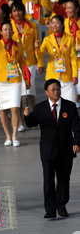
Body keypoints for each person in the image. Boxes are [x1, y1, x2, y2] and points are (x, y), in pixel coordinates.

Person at [24, 79, 80, 219]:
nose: (56, 92)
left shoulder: (70, 106)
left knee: (63, 180)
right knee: (48, 181)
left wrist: (77, 142)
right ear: (46, 92)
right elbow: (31, 124)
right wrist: (27, 116)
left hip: (66, 149)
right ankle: (50, 209)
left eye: (58, 89)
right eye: (53, 89)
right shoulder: (40, 108)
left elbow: (77, 127)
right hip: (48, 150)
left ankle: (61, 206)